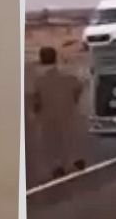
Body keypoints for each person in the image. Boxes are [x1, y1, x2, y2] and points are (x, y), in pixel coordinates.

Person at [32, 46, 87, 180]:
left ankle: (57, 166)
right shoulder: (67, 74)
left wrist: (36, 111)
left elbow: (36, 100)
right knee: (70, 136)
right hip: (67, 111)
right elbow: (79, 87)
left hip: (48, 114)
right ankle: (75, 159)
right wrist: (73, 100)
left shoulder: (37, 78)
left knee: (51, 140)